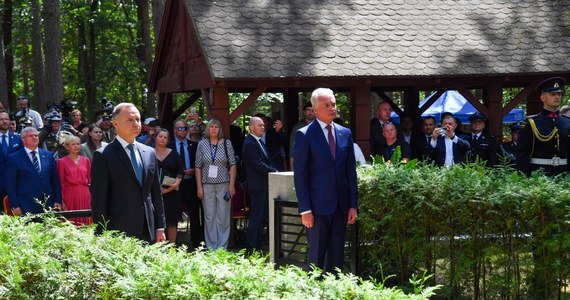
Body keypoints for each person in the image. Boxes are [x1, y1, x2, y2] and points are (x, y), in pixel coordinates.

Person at [293, 88, 358, 274]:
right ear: (314, 109)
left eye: (334, 104)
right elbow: (300, 175)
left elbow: (350, 173)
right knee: (316, 259)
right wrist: (305, 209)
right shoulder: (304, 135)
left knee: (337, 259)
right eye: (327, 105)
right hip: (316, 209)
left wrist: (353, 204)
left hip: (341, 207)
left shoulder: (345, 133)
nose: (332, 108)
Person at [90, 103, 166, 243]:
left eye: (137, 119)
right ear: (116, 123)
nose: (136, 123)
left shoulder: (149, 152)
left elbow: (156, 192)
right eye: (130, 120)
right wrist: (101, 235)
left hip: (148, 228)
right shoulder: (103, 155)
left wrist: (160, 226)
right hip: (118, 230)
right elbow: (99, 200)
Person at [195, 118, 237, 250]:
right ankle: (211, 247)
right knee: (209, 216)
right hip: (207, 184)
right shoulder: (202, 144)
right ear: (208, 128)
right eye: (211, 126)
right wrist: (199, 187)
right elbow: (197, 167)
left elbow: (233, 164)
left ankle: (222, 247)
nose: (213, 129)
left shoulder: (226, 144)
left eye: (216, 127)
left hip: (224, 184)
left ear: (219, 130)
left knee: (223, 216)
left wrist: (231, 185)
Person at [516, 77, 570, 176]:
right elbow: (522, 156)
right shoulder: (531, 123)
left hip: (564, 176)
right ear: (543, 98)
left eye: (559, 94)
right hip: (539, 176)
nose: (557, 97)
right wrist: (523, 179)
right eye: (552, 94)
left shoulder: (567, 122)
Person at [6, 127, 62, 215]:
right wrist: (15, 205)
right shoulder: (14, 158)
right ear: (23, 140)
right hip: (26, 205)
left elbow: (55, 180)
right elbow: (10, 185)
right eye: (31, 136)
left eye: (36, 135)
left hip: (49, 204)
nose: (34, 137)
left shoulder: (48, 155)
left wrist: (58, 200)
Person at [242, 116, 278, 251]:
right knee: (256, 217)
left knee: (262, 216)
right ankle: (251, 246)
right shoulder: (250, 143)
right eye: (260, 125)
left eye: (263, 125)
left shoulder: (259, 142)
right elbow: (257, 164)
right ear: (251, 127)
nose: (263, 127)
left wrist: (274, 169)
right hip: (257, 186)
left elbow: (268, 160)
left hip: (264, 184)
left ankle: (257, 243)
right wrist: (275, 171)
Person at [171, 120, 203, 248]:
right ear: (174, 130)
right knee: (174, 215)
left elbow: (201, 164)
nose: (182, 130)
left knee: (194, 214)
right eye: (179, 129)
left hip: (191, 183)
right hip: (175, 185)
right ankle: (173, 243)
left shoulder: (194, 145)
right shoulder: (169, 146)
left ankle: (197, 244)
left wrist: (194, 170)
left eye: (184, 128)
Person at [154, 129, 183, 243]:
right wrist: (157, 190)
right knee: (157, 221)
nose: (163, 139)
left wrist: (174, 184)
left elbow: (180, 171)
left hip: (172, 193)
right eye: (160, 136)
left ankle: (172, 248)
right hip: (155, 193)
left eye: (165, 137)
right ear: (155, 138)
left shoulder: (174, 153)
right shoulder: (149, 153)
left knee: (172, 221)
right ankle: (159, 249)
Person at [57, 135, 92, 225]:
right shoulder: (61, 162)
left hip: (85, 194)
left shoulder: (86, 160)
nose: (76, 146)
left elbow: (90, 180)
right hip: (70, 195)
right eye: (73, 144)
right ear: (67, 147)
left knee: (87, 220)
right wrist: (62, 200)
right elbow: (60, 182)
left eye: (78, 144)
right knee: (72, 221)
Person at [0, 110, 22, 212]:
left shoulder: (18, 139)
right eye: (1, 119)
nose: (4, 121)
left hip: (16, 183)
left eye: (6, 119)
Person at [289, 102, 315, 170]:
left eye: (313, 110)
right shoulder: (297, 128)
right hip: (302, 160)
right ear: (304, 112)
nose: (310, 112)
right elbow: (292, 149)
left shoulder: (321, 127)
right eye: (308, 110)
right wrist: (292, 170)